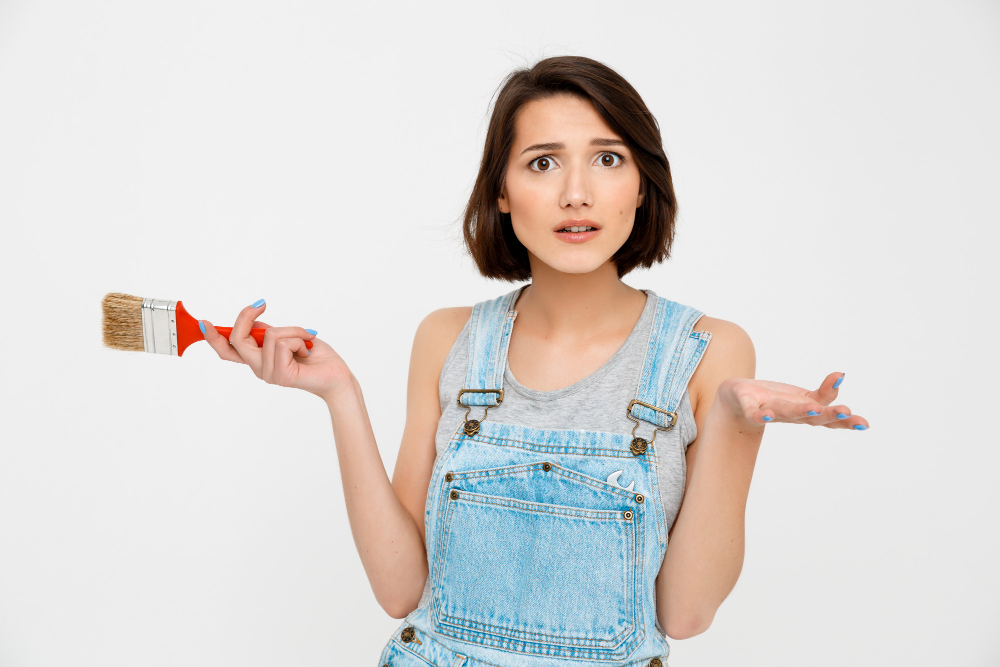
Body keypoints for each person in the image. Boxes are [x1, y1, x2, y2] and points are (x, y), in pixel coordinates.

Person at [197, 55, 869, 667]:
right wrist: (339, 393)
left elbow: (685, 614)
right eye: (543, 162)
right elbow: (401, 590)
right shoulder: (447, 338)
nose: (576, 193)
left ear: (642, 185)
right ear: (501, 191)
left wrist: (734, 425)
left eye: (607, 160)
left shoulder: (708, 351)